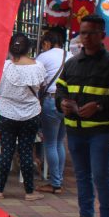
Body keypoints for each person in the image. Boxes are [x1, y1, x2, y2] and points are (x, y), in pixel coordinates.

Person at [56, 15, 109, 217]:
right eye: (83, 32)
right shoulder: (71, 63)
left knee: (101, 176)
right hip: (76, 130)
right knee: (82, 176)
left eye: (91, 33)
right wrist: (62, 103)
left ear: (102, 35)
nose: (86, 37)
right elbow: (60, 90)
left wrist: (98, 106)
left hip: (101, 131)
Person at [0, 34, 46, 201]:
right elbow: (41, 87)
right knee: (26, 152)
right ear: (28, 48)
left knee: (6, 151)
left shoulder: (4, 66)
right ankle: (30, 192)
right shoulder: (38, 67)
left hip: (5, 113)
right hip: (31, 114)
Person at [36, 28, 70, 194]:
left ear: (47, 43)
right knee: (59, 142)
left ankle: (55, 183)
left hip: (51, 100)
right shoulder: (71, 55)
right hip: (68, 103)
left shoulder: (44, 56)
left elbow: (37, 80)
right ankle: (58, 178)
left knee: (50, 142)